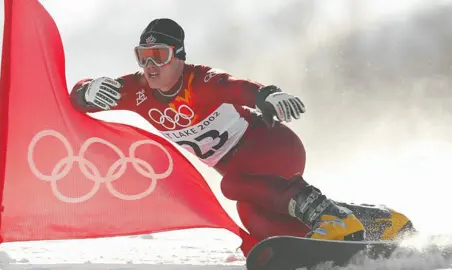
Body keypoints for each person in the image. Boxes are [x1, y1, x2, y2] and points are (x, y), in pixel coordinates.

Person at [69, 18, 416, 244]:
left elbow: (237, 86)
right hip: (246, 172)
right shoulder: (137, 90)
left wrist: (268, 94)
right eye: (142, 56)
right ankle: (374, 224)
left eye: (159, 55)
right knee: (260, 227)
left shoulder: (199, 79)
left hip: (270, 147)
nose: (150, 66)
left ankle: (336, 219)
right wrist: (87, 90)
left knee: (232, 185)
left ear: (179, 56)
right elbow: (77, 99)